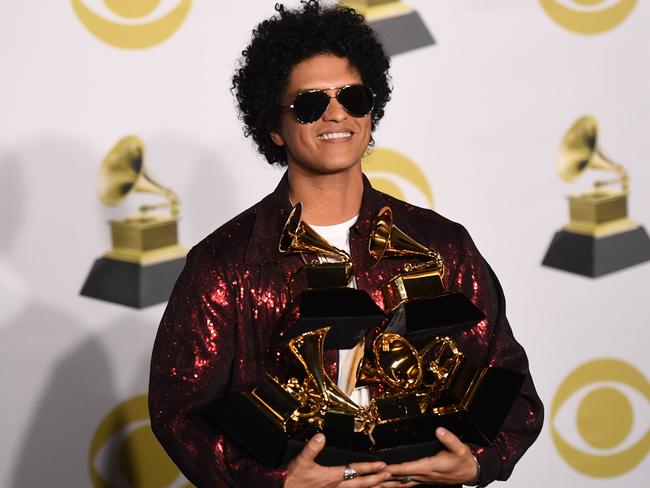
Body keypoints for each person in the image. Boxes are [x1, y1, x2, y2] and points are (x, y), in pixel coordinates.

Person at [148, 1, 544, 487]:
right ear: (274, 126)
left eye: (353, 97)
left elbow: (512, 389)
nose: (337, 113)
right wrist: (277, 482)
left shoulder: (442, 245)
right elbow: (180, 413)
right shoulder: (226, 264)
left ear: (371, 111)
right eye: (311, 103)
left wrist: (481, 460)